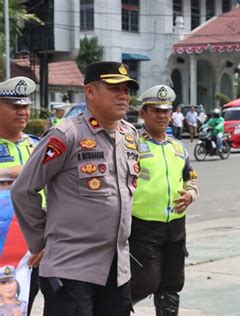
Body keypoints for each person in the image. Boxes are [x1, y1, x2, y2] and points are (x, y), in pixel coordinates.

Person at [11, 62, 140, 316]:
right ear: (90, 92)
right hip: (72, 268)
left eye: (126, 89)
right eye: (114, 88)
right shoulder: (66, 135)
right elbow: (24, 189)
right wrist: (41, 242)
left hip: (117, 268)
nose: (123, 94)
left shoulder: (130, 135)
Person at [130, 85, 198, 315]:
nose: (162, 116)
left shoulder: (178, 147)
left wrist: (191, 194)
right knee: (145, 281)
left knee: (172, 284)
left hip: (176, 227)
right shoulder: (132, 147)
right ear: (143, 113)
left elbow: (190, 178)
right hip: (143, 226)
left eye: (166, 111)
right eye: (156, 111)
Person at [0, 76, 41, 316]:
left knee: (23, 303)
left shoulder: (38, 146)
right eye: (15, 106)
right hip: (3, 243)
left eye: (25, 106)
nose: (23, 112)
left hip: (34, 245)